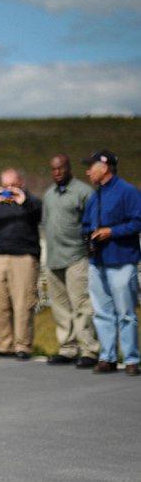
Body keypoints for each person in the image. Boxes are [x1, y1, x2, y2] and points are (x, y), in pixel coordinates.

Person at [80, 150, 141, 375]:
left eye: (91, 166)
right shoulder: (95, 196)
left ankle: (132, 359)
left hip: (122, 260)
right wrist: (88, 234)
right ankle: (107, 357)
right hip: (98, 261)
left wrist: (112, 232)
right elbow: (85, 223)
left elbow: (138, 221)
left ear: (104, 167)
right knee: (102, 312)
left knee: (125, 312)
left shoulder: (128, 192)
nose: (87, 171)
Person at [0, 168, 42, 360]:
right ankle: (5, 344)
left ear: (21, 183)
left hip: (24, 257)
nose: (9, 190)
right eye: (5, 186)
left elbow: (41, 214)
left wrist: (24, 201)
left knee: (23, 304)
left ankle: (23, 346)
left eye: (12, 185)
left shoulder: (31, 201)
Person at [42, 154, 99, 368]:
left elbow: (93, 223)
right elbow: (46, 223)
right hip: (54, 258)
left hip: (76, 257)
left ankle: (89, 350)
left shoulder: (84, 192)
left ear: (69, 168)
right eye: (53, 169)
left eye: (60, 168)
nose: (57, 173)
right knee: (60, 306)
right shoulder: (49, 195)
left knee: (81, 304)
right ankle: (68, 348)